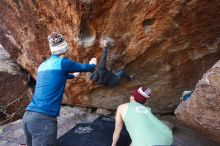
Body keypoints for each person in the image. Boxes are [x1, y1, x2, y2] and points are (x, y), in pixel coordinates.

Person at [22, 32, 96, 146]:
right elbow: (85, 67)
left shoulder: (43, 66)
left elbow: (56, 77)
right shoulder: (63, 63)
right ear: (65, 49)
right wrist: (93, 64)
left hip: (28, 117)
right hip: (43, 119)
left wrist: (73, 75)